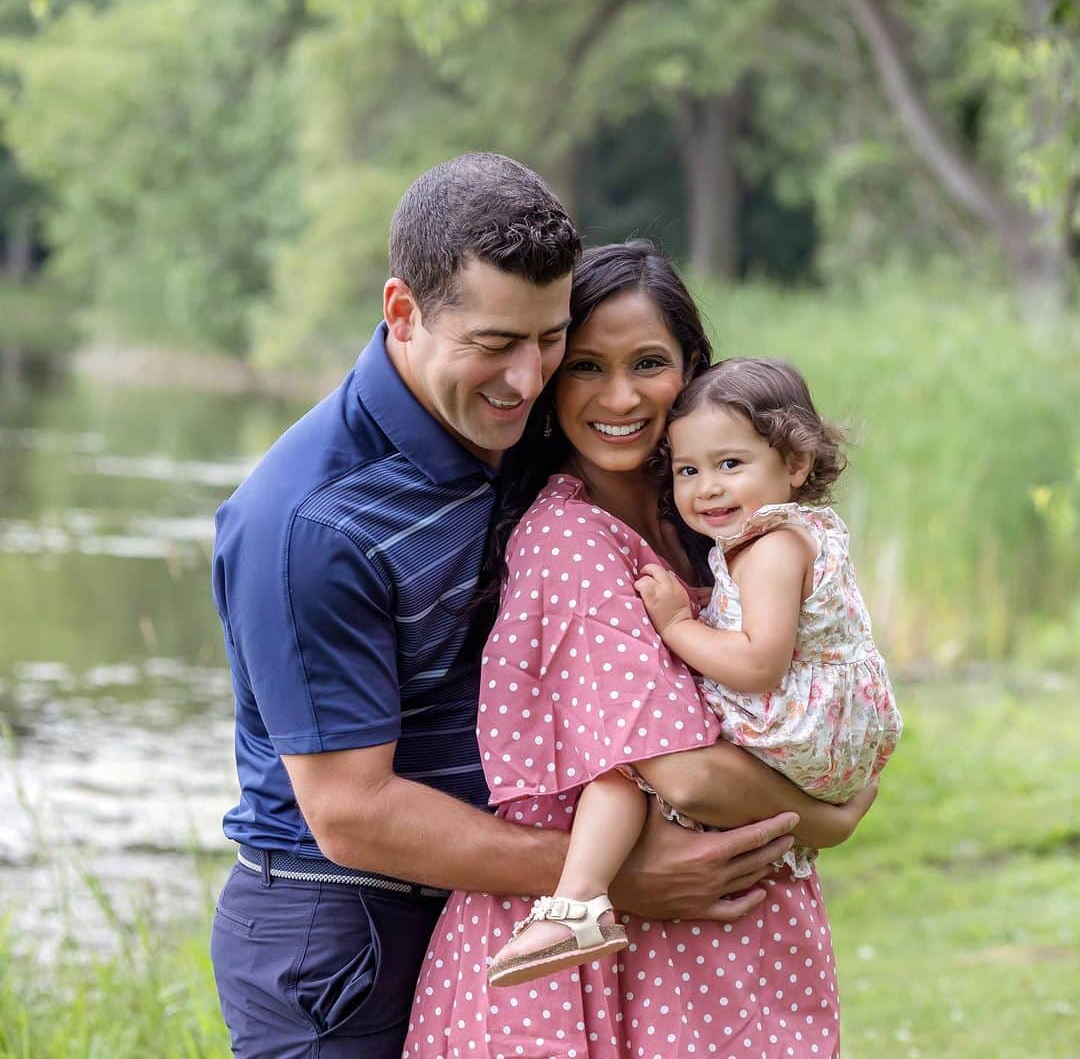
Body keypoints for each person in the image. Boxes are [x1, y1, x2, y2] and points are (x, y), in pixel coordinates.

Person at [208, 160, 844, 1059]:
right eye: (497, 343)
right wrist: (612, 878)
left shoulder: (529, 447)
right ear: (403, 313)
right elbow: (349, 813)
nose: (527, 376)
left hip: (489, 891)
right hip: (343, 923)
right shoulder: (309, 520)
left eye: (549, 342)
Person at [403, 240, 875, 1058]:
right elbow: (683, 771)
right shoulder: (569, 539)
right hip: (590, 957)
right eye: (585, 366)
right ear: (550, 378)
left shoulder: (714, 520)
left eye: (648, 362)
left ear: (692, 367)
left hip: (713, 935)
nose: (618, 396)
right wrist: (825, 819)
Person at [636, 358, 903, 877]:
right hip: (834, 728)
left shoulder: (772, 549)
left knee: (634, 759)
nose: (707, 487)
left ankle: (585, 892)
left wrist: (676, 627)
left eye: (730, 464)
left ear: (796, 464)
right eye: (688, 470)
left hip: (798, 727)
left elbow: (760, 665)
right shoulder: (795, 533)